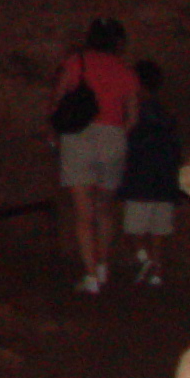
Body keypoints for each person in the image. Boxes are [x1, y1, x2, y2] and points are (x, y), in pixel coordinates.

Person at [51, 17, 139, 291]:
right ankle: (102, 267)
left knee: (83, 211)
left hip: (79, 136)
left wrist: (53, 131)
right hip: (112, 137)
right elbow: (133, 117)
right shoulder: (125, 71)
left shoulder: (77, 62)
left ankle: (90, 276)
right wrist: (116, 133)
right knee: (104, 208)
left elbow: (58, 99)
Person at [118, 59, 182, 287]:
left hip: (140, 179)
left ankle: (144, 259)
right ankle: (157, 270)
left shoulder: (137, 113)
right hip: (164, 180)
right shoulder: (165, 114)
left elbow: (131, 144)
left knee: (132, 229)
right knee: (158, 230)